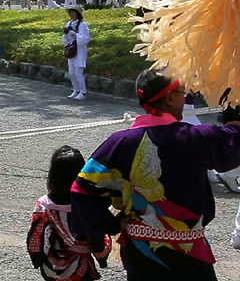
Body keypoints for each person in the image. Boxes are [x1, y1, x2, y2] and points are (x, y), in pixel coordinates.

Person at [71, 70, 240, 281]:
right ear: (170, 98)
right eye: (182, 92)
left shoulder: (120, 142)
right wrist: (232, 115)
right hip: (188, 250)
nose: (185, 97)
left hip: (141, 250)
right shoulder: (195, 138)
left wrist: (111, 225)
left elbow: (81, 190)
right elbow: (234, 145)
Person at [27, 145, 111, 280]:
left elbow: (36, 235)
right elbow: (98, 235)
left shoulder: (44, 204)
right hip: (82, 268)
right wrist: (102, 257)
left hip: (52, 267)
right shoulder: (88, 204)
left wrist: (36, 258)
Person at [63, 5, 90, 101]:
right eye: (70, 13)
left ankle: (83, 92)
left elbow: (86, 38)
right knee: (72, 73)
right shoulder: (68, 24)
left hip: (80, 50)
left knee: (79, 73)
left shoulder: (83, 25)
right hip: (71, 50)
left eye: (74, 12)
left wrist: (75, 34)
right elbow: (65, 39)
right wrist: (67, 35)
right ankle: (76, 90)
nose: (72, 14)